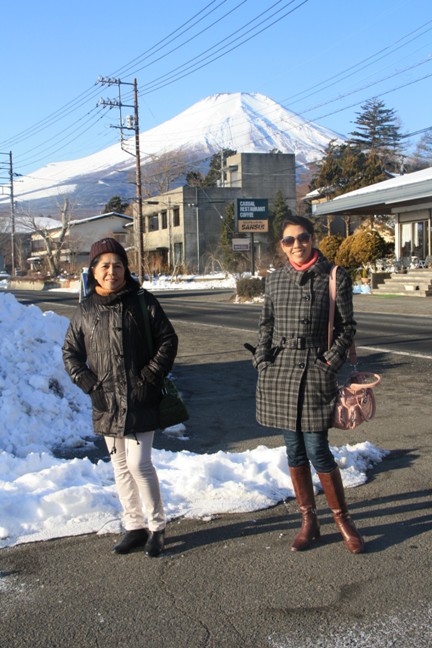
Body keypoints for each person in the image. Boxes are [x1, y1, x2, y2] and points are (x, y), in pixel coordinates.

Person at [252, 215, 364, 554]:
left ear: (313, 239)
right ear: (282, 246)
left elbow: (347, 326)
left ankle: (343, 519)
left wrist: (331, 362)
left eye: (302, 237)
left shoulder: (333, 276)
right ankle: (308, 521)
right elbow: (266, 324)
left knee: (317, 449)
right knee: (294, 450)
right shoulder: (275, 280)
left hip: (316, 370)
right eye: (289, 240)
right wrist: (262, 359)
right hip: (281, 372)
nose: (297, 244)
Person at [63, 238, 178, 557]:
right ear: (93, 271)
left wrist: (150, 376)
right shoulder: (85, 309)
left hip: (140, 396)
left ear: (126, 269)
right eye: (104, 266)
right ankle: (134, 526)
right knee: (121, 467)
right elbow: (70, 352)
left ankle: (157, 526)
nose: (111, 271)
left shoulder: (143, 301)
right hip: (106, 402)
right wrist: (89, 384)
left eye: (117, 265)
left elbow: (168, 340)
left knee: (140, 464)